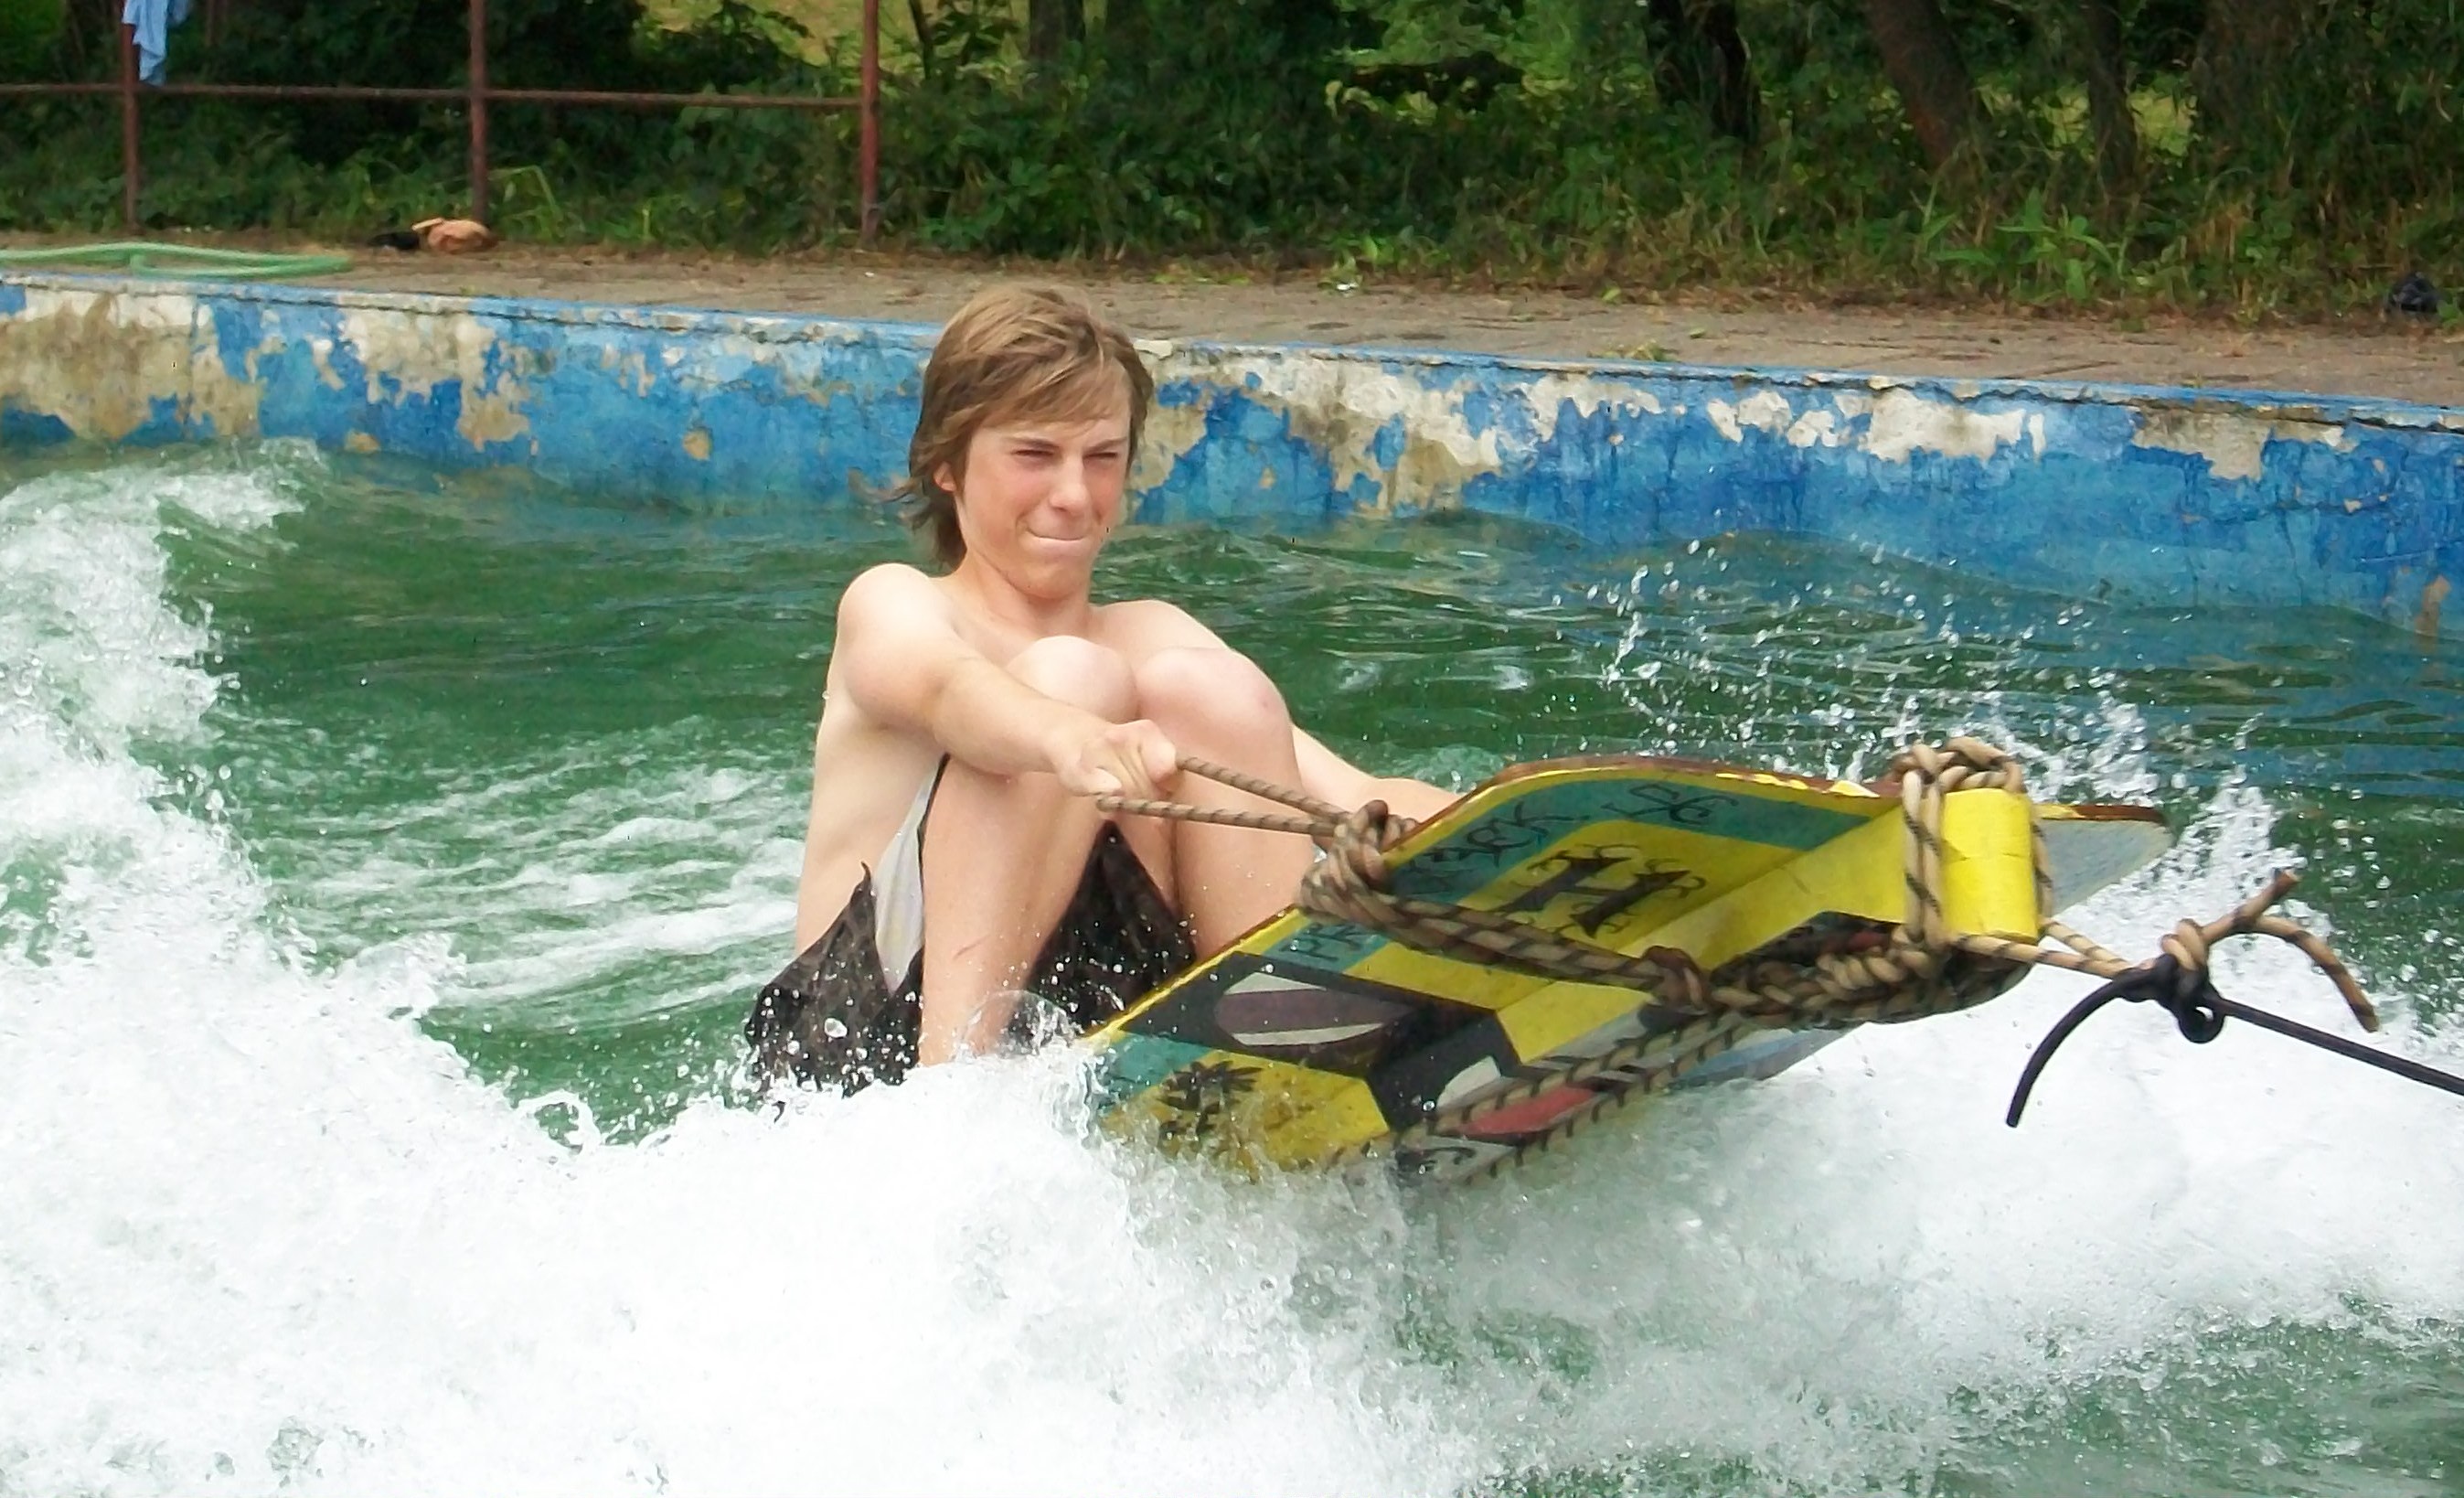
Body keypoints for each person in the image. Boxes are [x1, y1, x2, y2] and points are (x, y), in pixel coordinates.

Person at [746, 284, 1452, 1092]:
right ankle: (953, 1103)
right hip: (871, 1054)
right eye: (1034, 455)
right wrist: (1067, 735)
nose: (1074, 495)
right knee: (1074, 678)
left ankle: (1282, 1057)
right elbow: (951, 692)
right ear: (946, 465)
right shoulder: (894, 603)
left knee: (1211, 691)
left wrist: (1513, 838)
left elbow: (1350, 798)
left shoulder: (1153, 635)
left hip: (1092, 1013)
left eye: (1102, 458)